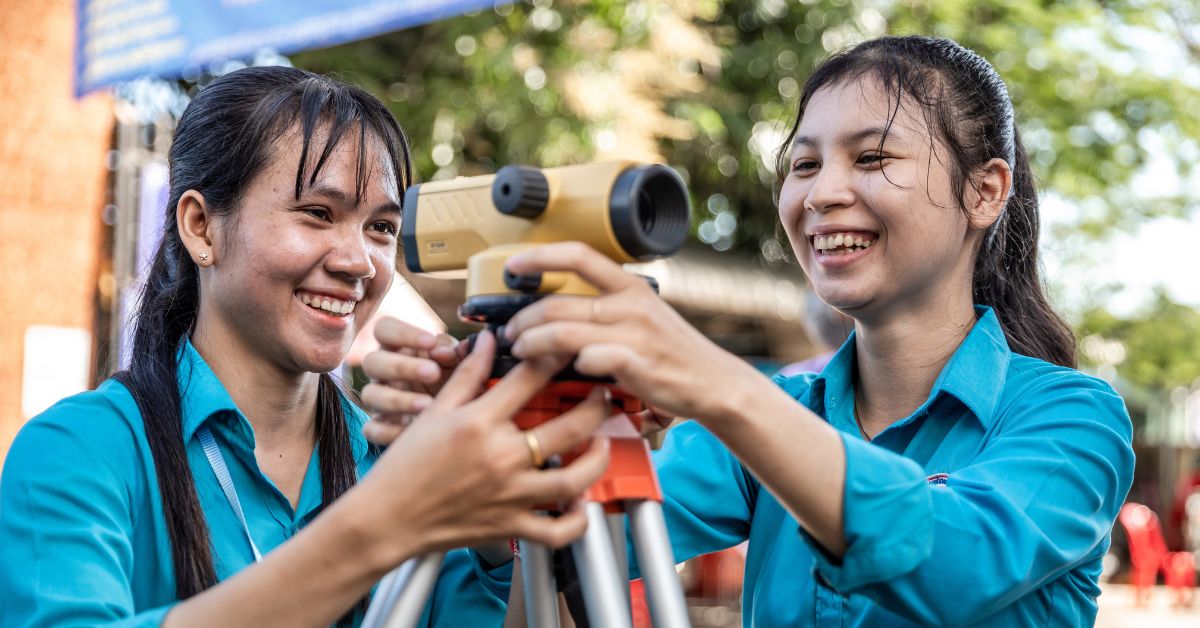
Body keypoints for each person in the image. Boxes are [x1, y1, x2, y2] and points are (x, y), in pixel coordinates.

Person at [362, 36, 1135, 626]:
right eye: (802, 166)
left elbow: (957, 559)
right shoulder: (775, 408)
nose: (824, 192)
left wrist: (711, 377)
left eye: (872, 157)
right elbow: (558, 549)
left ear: (984, 191)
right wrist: (499, 429)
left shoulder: (1071, 417)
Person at [0, 66, 611, 627]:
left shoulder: (395, 459)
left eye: (381, 228)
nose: (357, 262)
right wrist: (378, 529)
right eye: (318, 212)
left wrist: (521, 507)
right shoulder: (79, 451)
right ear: (199, 225)